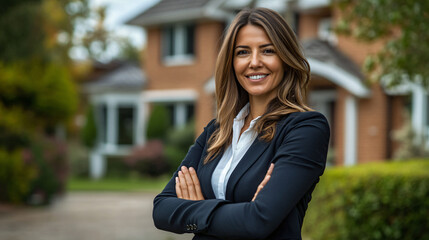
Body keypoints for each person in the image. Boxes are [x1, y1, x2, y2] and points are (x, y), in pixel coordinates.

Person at [153, 7, 330, 240]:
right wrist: (240, 215)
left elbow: (257, 222)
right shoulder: (217, 131)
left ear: (286, 58)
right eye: (243, 52)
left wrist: (198, 212)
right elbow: (161, 209)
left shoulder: (305, 129)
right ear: (232, 62)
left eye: (267, 50)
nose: (254, 62)